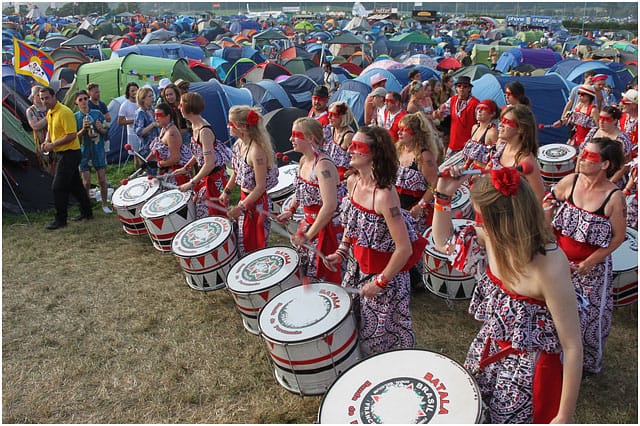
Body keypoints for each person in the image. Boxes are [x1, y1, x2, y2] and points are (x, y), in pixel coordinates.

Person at [431, 166, 583, 424]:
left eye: (480, 219)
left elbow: (572, 346)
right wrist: (442, 196)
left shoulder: (550, 265)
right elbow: (443, 240)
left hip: (526, 372)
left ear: (503, 221)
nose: (477, 225)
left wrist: (564, 416)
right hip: (488, 350)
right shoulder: (491, 238)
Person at [324, 126, 426, 357]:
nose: (350, 149)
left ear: (374, 153)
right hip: (358, 269)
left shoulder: (385, 196)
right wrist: (341, 251)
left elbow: (404, 248)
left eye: (358, 146)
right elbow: (352, 223)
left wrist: (380, 283)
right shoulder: (353, 183)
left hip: (385, 276)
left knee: (381, 343)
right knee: (353, 326)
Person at [546, 137, 626, 375]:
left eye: (590, 156)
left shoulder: (614, 198)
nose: (581, 158)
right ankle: (555, 359)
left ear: (605, 165)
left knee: (590, 318)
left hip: (592, 270)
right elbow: (549, 198)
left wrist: (591, 261)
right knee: (554, 311)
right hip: (559, 263)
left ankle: (587, 365)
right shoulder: (570, 181)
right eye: (582, 153)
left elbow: (618, 237)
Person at [277, 118, 345, 284]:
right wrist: (291, 209)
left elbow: (329, 206)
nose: (290, 139)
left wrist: (309, 234)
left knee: (330, 281)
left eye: (295, 135)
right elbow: (300, 189)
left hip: (327, 229)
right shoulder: (303, 161)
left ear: (310, 138)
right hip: (309, 225)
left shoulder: (323, 166)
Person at [220, 106, 279, 256]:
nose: (228, 126)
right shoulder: (237, 145)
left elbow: (260, 187)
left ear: (243, 127)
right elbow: (236, 171)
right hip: (245, 199)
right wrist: (226, 191)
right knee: (244, 242)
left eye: (231, 123)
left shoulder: (256, 152)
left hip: (256, 203)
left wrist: (241, 207)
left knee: (254, 247)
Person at [39, 87, 93, 230]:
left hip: (71, 153)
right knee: (76, 185)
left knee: (58, 187)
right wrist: (46, 141)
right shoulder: (51, 112)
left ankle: (61, 219)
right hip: (62, 153)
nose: (44, 101)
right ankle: (87, 212)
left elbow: (71, 135)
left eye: (46, 98)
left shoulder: (64, 112)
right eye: (42, 98)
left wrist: (52, 145)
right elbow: (50, 129)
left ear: (54, 96)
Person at [176, 92, 232, 218]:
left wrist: (191, 182)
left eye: (181, 105)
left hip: (215, 179)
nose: (179, 108)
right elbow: (199, 153)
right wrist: (187, 166)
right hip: (207, 177)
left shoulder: (204, 131)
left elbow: (209, 163)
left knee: (216, 216)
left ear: (188, 108)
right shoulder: (195, 125)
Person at [490, 104, 546, 202]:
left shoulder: (525, 159)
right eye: (501, 120)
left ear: (520, 129)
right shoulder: (501, 146)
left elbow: (540, 195)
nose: (501, 124)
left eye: (506, 122)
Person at [395, 112, 439, 232]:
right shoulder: (398, 151)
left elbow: (434, 184)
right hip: (397, 209)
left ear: (415, 133)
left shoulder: (425, 156)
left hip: (415, 213)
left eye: (404, 130)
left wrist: (421, 205)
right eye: (399, 129)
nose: (399, 132)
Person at [73, 90, 111, 214]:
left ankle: (105, 204)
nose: (84, 101)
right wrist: (83, 129)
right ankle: (86, 204)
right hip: (84, 151)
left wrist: (101, 128)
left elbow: (106, 131)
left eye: (85, 98)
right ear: (76, 102)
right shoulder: (75, 117)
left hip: (98, 149)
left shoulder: (97, 113)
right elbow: (74, 137)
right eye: (80, 100)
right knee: (86, 181)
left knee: (101, 179)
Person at [580, 106, 632, 188]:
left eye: (606, 119)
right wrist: (578, 173)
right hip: (588, 176)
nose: (601, 121)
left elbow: (625, 166)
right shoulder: (593, 131)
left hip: (610, 180)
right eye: (600, 118)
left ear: (615, 121)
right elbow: (582, 152)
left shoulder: (622, 140)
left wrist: (610, 182)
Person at [433, 76, 480, 158]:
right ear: (456, 88)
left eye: (465, 86)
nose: (462, 88)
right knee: (446, 168)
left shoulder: (475, 103)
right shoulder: (452, 100)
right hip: (453, 144)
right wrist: (437, 113)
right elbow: (439, 113)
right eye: (459, 86)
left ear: (469, 88)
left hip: (467, 147)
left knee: (462, 170)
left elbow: (480, 124)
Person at [462, 99, 499, 170]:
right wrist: (465, 166)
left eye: (484, 108)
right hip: (470, 169)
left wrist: (484, 176)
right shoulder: (474, 127)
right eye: (478, 108)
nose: (479, 111)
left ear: (492, 114)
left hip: (482, 172)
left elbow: (496, 158)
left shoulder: (492, 132)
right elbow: (472, 154)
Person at [324, 101, 355, 180]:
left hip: (343, 176)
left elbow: (359, 162)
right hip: (332, 170)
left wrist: (345, 175)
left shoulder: (348, 136)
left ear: (342, 117)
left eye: (333, 115)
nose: (329, 117)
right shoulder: (332, 129)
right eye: (329, 114)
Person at [26, 85, 52, 173]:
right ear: (33, 97)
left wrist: (42, 121)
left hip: (53, 137)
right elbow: (35, 126)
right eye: (38, 95)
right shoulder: (31, 110)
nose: (41, 98)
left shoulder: (49, 107)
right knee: (45, 162)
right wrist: (47, 118)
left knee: (55, 161)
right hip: (40, 139)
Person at [133, 87, 159, 169]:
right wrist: (152, 125)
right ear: (143, 99)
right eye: (150, 96)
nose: (152, 98)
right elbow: (139, 132)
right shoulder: (141, 113)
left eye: (152, 96)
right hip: (146, 147)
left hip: (155, 145)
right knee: (150, 171)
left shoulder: (152, 110)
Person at [118, 82, 140, 168]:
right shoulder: (125, 105)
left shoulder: (141, 102)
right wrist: (134, 121)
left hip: (144, 131)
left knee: (146, 154)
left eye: (136, 90)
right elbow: (120, 122)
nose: (135, 92)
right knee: (136, 156)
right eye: (132, 91)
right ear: (128, 92)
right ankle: (138, 173)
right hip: (132, 134)